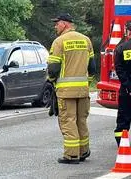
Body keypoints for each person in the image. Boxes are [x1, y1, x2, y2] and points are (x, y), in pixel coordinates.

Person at [47, 13, 96, 164]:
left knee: (68, 121)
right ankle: (84, 151)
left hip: (66, 92)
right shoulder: (86, 40)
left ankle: (71, 155)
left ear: (65, 24)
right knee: (81, 121)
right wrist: (86, 83)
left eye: (57, 24)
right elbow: (92, 68)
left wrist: (52, 82)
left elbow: (53, 69)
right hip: (83, 91)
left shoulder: (59, 42)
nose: (55, 26)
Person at [113, 20, 131, 146]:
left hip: (127, 91)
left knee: (123, 119)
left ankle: (122, 144)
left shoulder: (121, 48)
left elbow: (119, 70)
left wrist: (128, 86)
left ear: (128, 32)